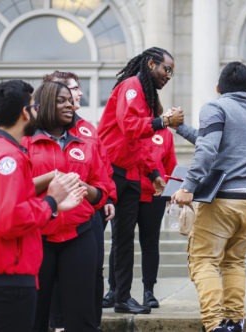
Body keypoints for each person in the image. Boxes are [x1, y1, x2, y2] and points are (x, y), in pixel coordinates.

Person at [0, 80, 86, 332]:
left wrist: (54, 207)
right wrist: (51, 201)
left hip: (3, 272)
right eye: (35, 106)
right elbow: (9, 221)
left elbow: (11, 209)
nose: (39, 111)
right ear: (26, 112)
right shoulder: (8, 157)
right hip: (7, 273)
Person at [172, 62, 246, 332]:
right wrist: (181, 128)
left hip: (226, 199)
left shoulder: (215, 107)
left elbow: (207, 151)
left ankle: (214, 325)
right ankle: (234, 321)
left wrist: (188, 186)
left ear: (218, 88)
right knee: (234, 261)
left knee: (203, 260)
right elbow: (212, 141)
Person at [97, 47, 183, 314]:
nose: (169, 76)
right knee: (105, 239)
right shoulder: (131, 86)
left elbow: (141, 145)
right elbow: (129, 126)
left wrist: (155, 175)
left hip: (131, 173)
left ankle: (122, 297)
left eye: (172, 72)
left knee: (124, 241)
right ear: (150, 64)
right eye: (166, 69)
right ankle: (101, 294)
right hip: (110, 170)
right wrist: (164, 120)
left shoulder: (146, 95)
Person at [24, 81, 112, 331]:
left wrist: (86, 188)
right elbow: (16, 189)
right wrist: (51, 179)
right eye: (61, 100)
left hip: (79, 235)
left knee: (81, 315)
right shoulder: (27, 142)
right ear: (44, 105)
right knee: (35, 314)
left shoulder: (85, 142)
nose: (70, 105)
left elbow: (102, 190)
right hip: (38, 237)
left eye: (70, 100)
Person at [104, 126, 177, 310]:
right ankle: (114, 290)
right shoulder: (128, 128)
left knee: (150, 242)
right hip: (126, 190)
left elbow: (170, 163)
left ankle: (148, 291)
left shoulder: (164, 133)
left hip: (154, 194)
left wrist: (171, 192)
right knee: (119, 240)